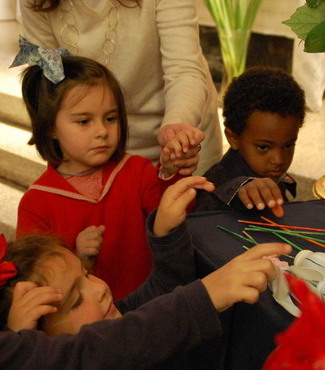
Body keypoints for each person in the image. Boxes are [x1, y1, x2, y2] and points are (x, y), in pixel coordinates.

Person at [0, 176, 291, 370]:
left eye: (87, 274)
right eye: (76, 300)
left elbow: (163, 291)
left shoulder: (114, 316)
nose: (99, 289)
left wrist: (166, 232)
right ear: (43, 347)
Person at [13, 48, 201, 300]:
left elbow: (176, 221)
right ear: (49, 128)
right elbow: (33, 282)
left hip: (152, 306)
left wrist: (171, 171)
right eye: (84, 121)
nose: (102, 131)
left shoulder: (136, 170)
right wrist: (75, 257)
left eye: (110, 118)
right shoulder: (36, 204)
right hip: (90, 330)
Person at [19, 0, 223, 175]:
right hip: (96, 147)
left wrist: (177, 128)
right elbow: (47, 85)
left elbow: (183, 70)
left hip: (177, 141)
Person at [195, 66, 306, 216]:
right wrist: (243, 188)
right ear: (233, 138)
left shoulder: (270, 173)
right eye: (263, 147)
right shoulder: (213, 190)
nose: (278, 160)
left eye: (288, 145)